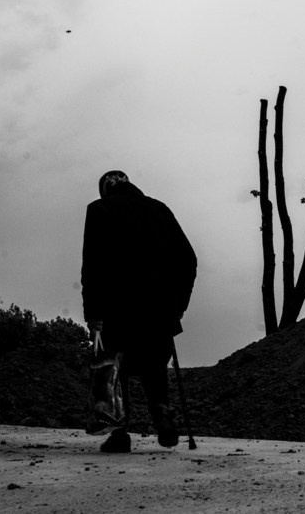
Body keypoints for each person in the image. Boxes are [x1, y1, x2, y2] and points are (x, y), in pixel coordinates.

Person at [80, 170, 197, 453]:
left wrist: (93, 313)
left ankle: (120, 434)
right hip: (159, 308)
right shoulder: (160, 209)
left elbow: (93, 264)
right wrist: (178, 305)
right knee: (154, 363)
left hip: (115, 307)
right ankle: (161, 410)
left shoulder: (99, 209)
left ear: (105, 190)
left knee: (114, 369)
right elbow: (188, 259)